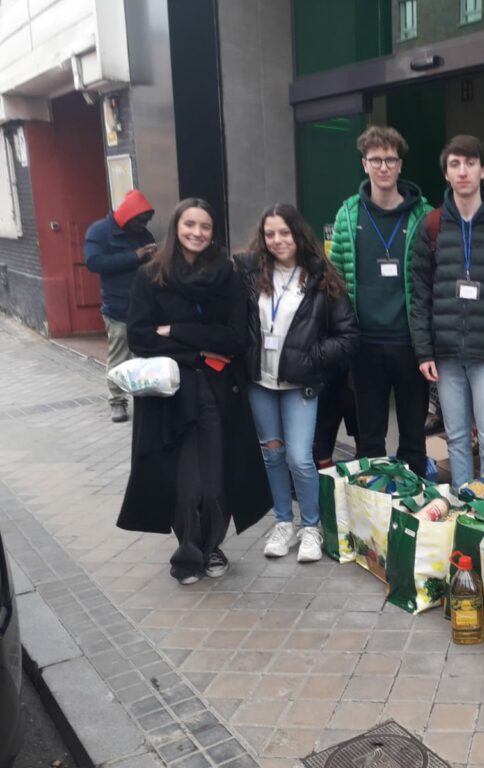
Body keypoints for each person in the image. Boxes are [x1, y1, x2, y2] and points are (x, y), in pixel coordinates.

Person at [117, 198, 272, 585]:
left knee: (217, 474)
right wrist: (201, 347)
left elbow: (235, 338)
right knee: (185, 478)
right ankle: (188, 553)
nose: (197, 233)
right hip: (170, 394)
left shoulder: (229, 276)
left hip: (220, 389)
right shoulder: (151, 275)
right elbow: (139, 336)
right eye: (190, 224)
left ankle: (213, 546)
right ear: (176, 227)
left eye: (205, 226)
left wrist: (176, 331)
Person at [236, 204, 359, 562]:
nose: (277, 241)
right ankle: (282, 524)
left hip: (299, 384)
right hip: (260, 381)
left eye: (284, 233)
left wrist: (311, 358)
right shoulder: (249, 273)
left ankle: (311, 528)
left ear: (298, 234)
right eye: (270, 234)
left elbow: (348, 335)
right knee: (272, 455)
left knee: (299, 458)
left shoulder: (320, 277)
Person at [409, 135, 484, 488]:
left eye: (470, 163)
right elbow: (420, 296)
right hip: (444, 353)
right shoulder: (430, 227)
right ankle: (460, 509)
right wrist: (423, 351)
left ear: (482, 170)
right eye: (455, 164)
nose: (463, 172)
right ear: (446, 174)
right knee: (456, 437)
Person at [329, 125, 433, 476]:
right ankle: (372, 515)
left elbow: (432, 279)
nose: (384, 166)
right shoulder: (348, 216)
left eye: (390, 159)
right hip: (365, 345)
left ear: (400, 165)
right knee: (370, 439)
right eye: (376, 159)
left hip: (409, 344)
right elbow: (337, 278)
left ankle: (413, 513)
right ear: (364, 164)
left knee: (413, 438)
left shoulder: (424, 216)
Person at [84, 190, 157, 423]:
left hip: (145, 306)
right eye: (141, 221)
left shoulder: (142, 234)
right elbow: (94, 262)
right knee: (119, 356)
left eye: (146, 222)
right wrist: (134, 256)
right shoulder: (99, 232)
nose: (144, 226)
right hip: (118, 307)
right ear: (128, 217)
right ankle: (117, 401)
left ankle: (147, 400)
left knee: (147, 355)